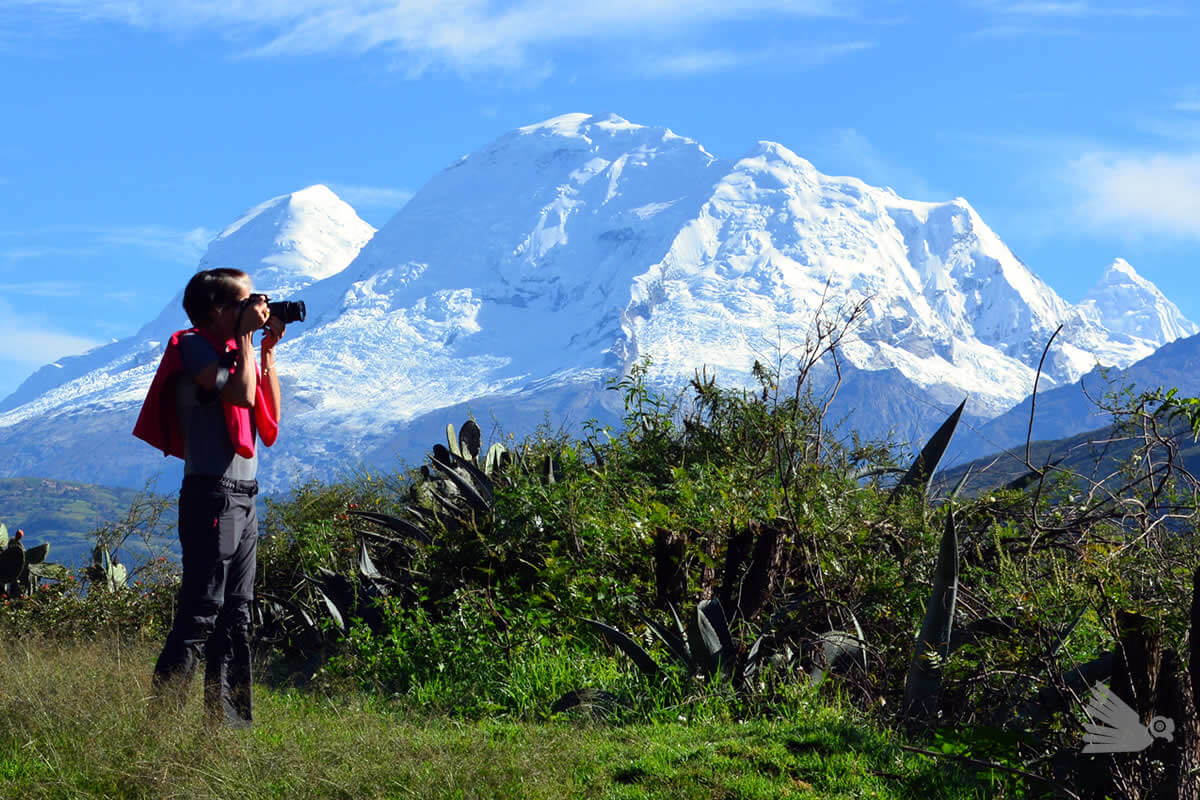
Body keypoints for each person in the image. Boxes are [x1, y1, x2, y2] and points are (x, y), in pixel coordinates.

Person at [138, 267, 284, 727]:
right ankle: (160, 724)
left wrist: (266, 352)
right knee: (202, 609)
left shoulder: (232, 349)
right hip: (213, 494)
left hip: (246, 492)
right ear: (220, 309)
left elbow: (269, 418)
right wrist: (243, 340)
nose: (255, 309)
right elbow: (239, 395)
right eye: (245, 303)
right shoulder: (192, 346)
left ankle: (226, 729)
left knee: (237, 613)